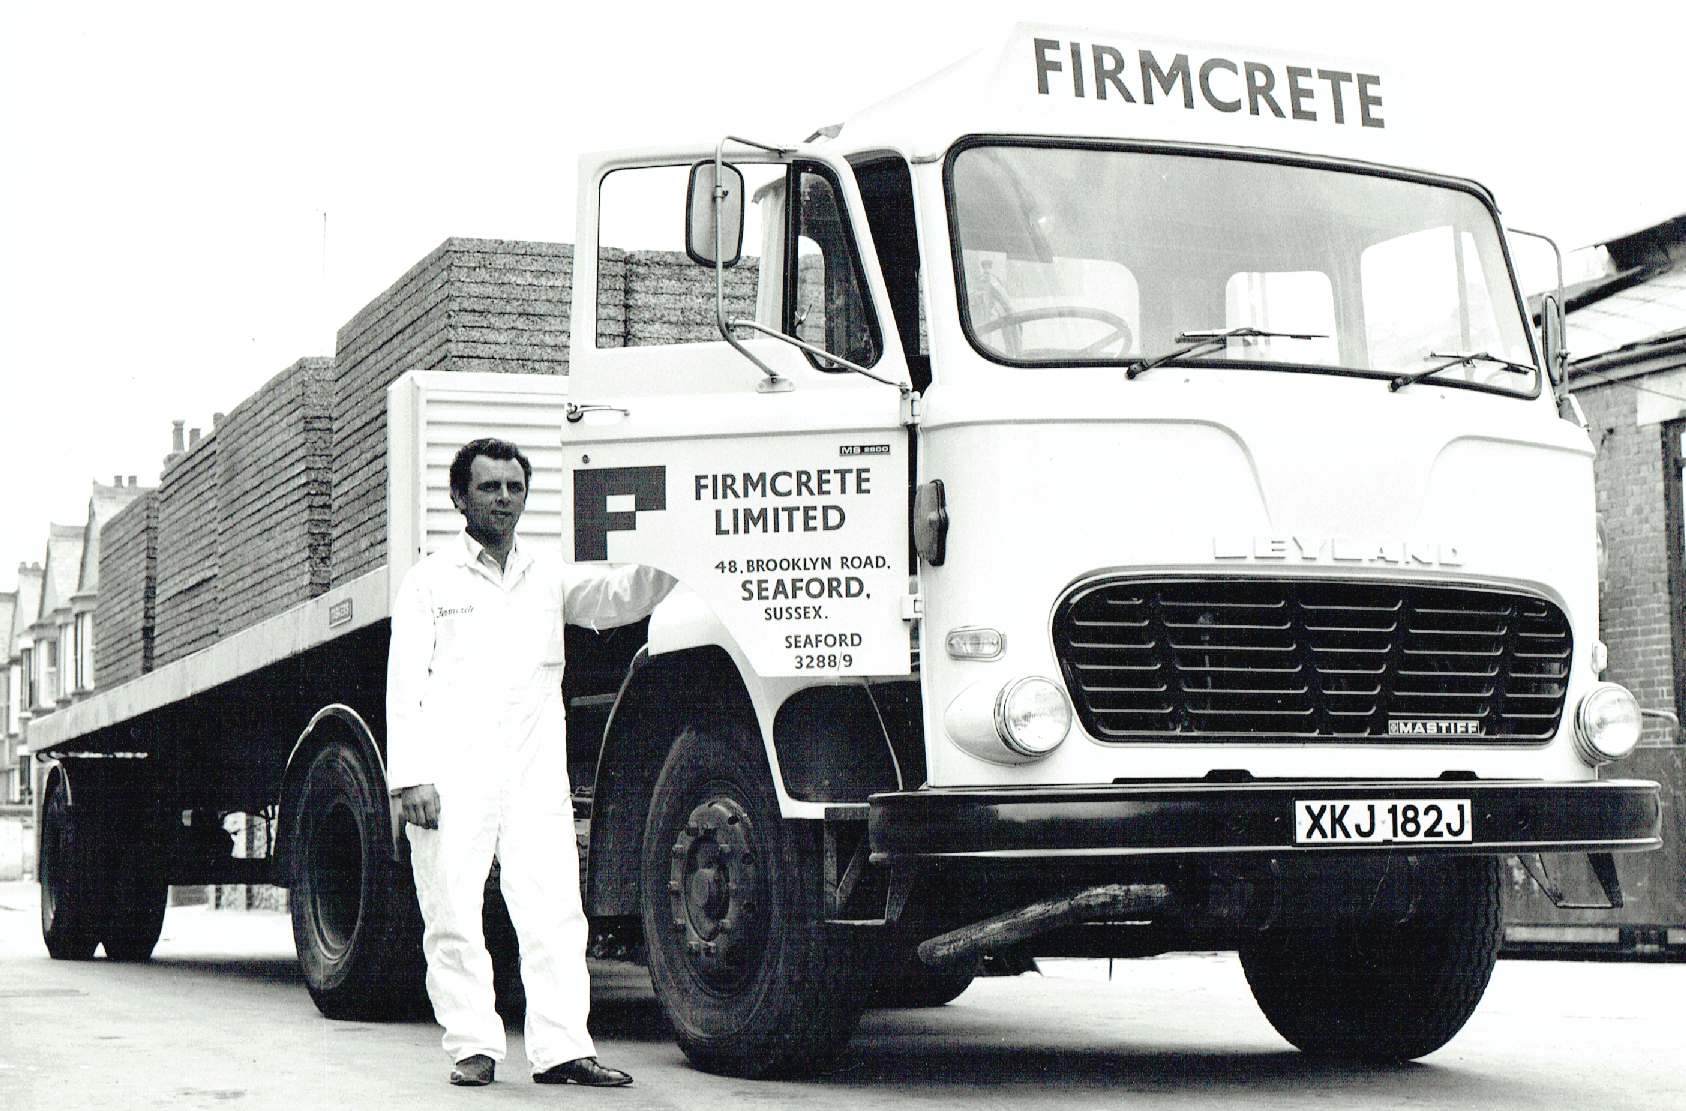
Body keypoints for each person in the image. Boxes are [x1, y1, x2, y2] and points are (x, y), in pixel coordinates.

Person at [386, 437, 674, 1088]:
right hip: (452, 767)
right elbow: (404, 685)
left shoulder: (547, 573)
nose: (504, 499)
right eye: (489, 488)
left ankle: (563, 1048)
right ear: (459, 497)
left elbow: (616, 597)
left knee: (553, 911)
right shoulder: (431, 580)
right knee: (453, 908)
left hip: (534, 767)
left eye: (514, 487)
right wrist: (410, 777)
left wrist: (677, 556)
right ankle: (473, 1044)